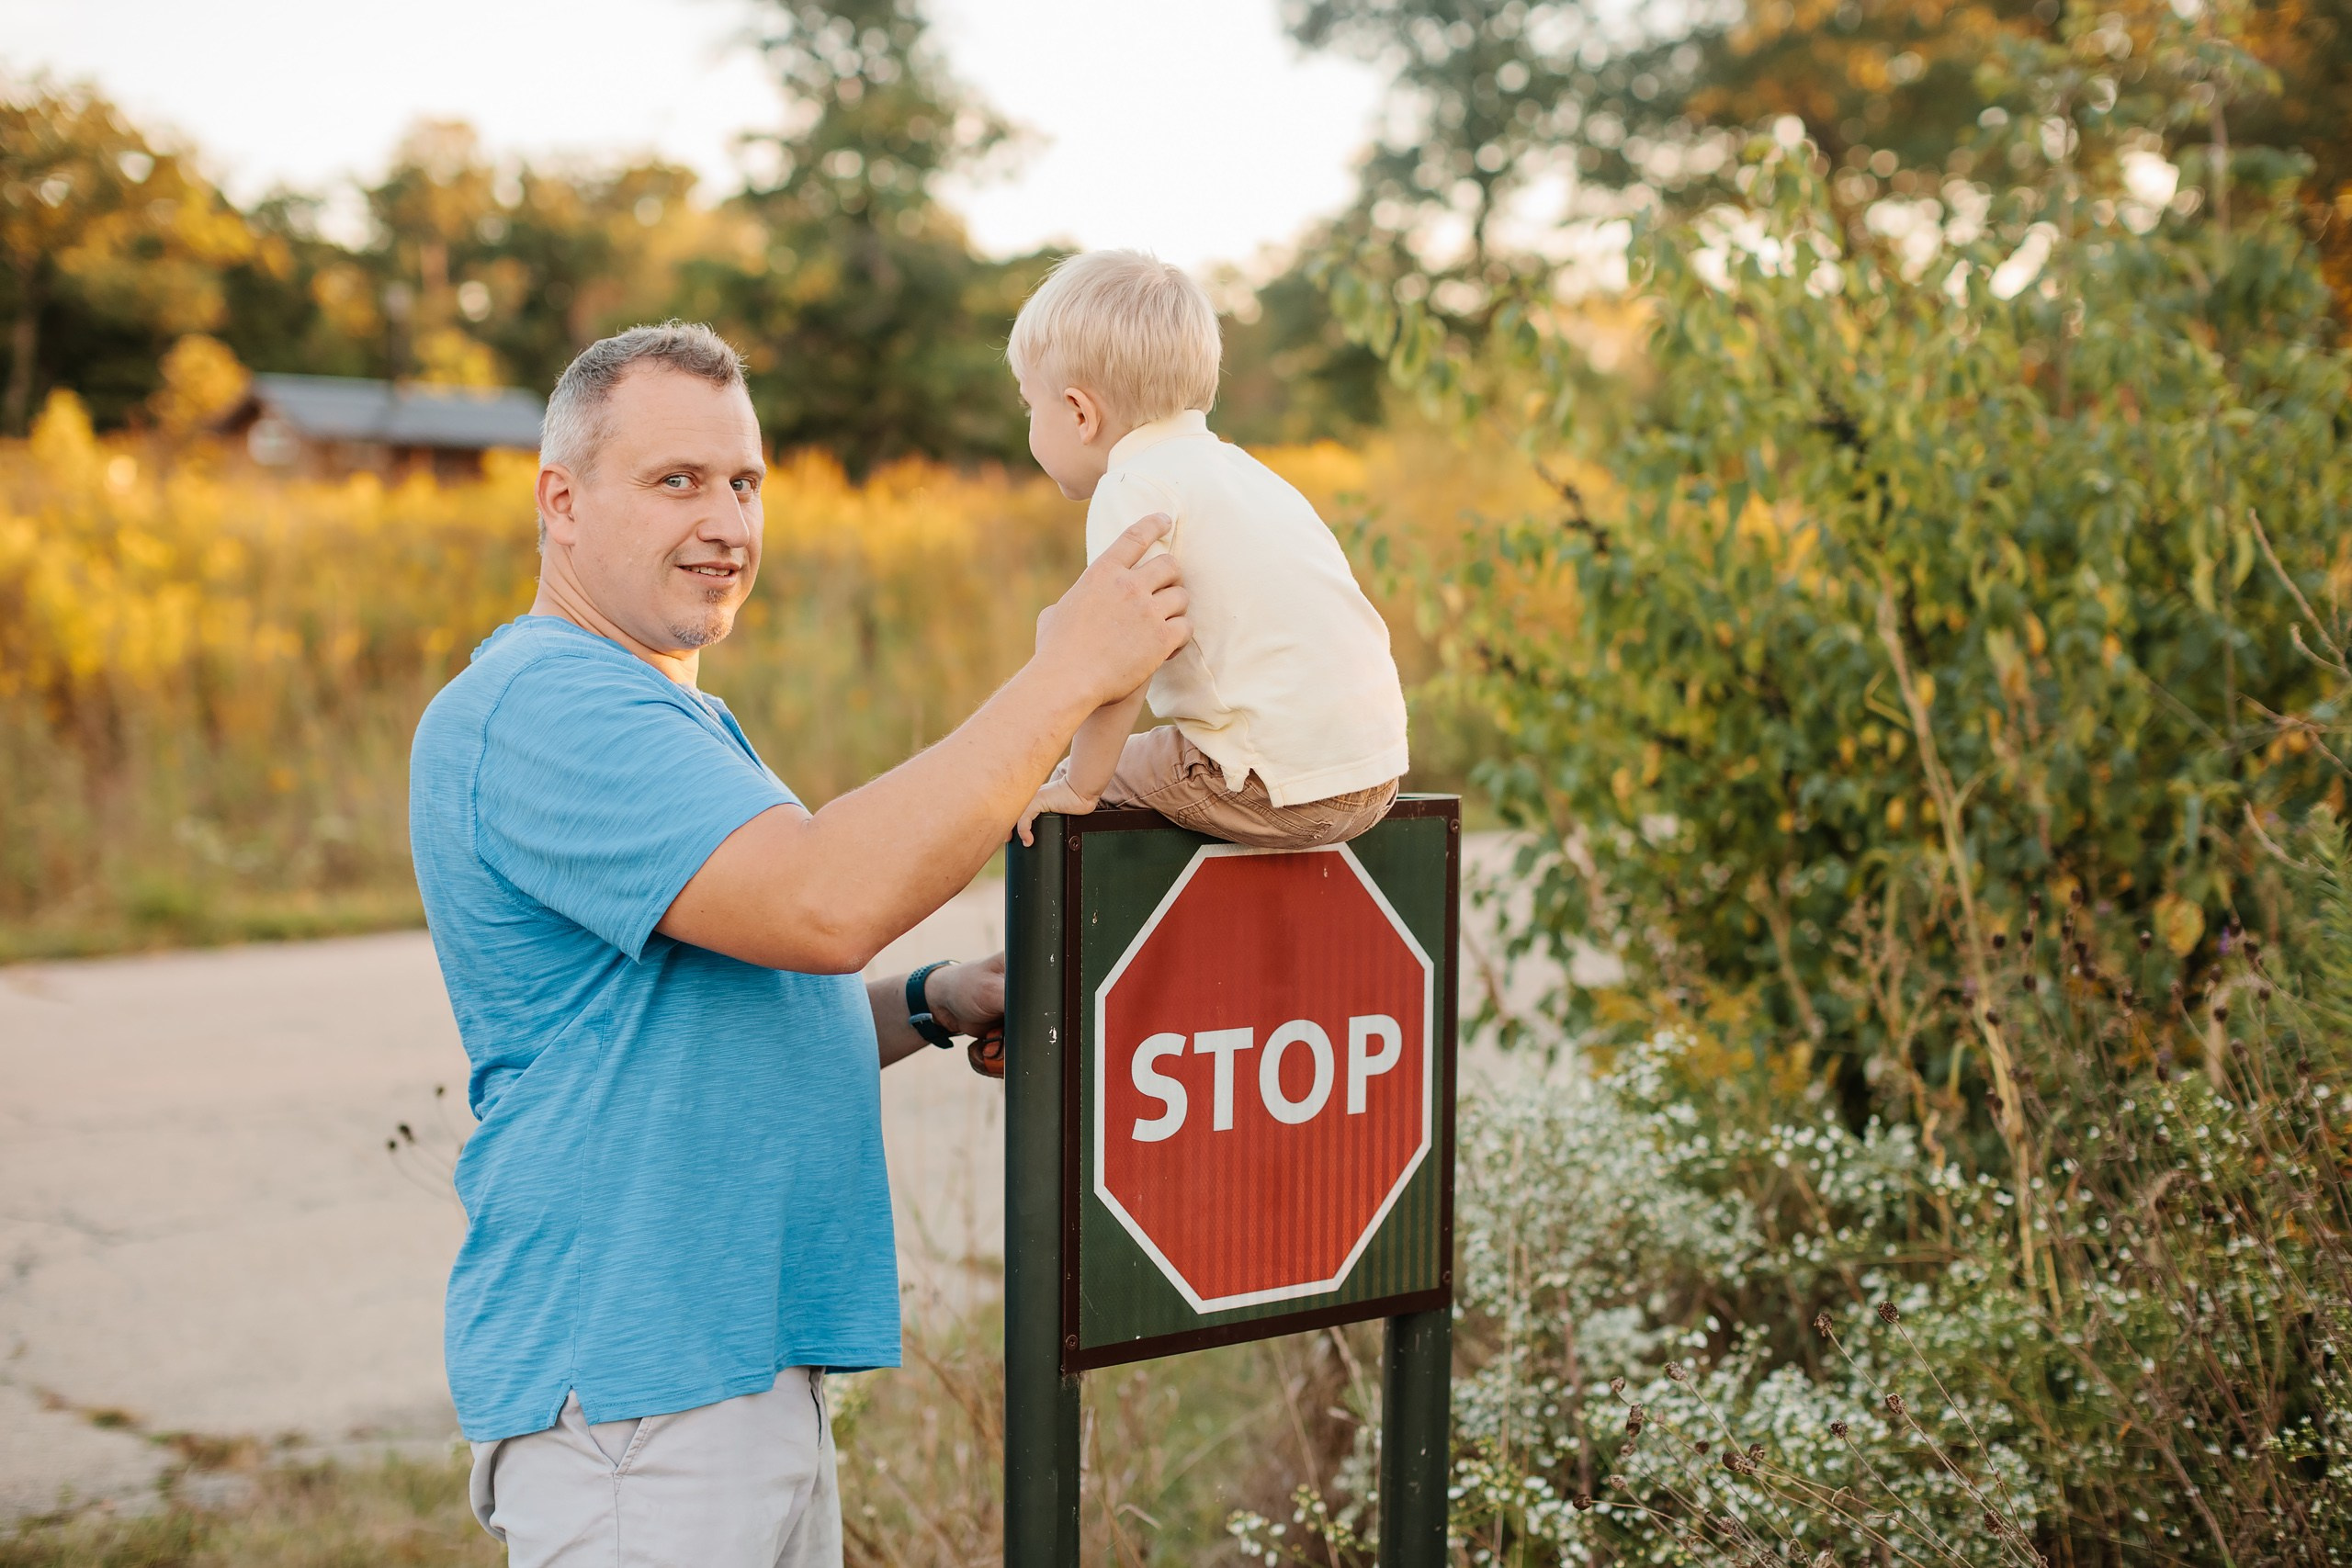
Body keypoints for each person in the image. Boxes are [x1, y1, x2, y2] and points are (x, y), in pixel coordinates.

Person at [407, 321, 1189, 1568]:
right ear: (561, 501)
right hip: (640, 1401)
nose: (725, 521)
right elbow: (822, 900)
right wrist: (1066, 676)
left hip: (729, 1375)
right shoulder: (547, 702)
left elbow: (713, 1011)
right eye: (677, 480)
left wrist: (933, 999)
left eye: (744, 482)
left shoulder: (668, 710)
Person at [1009, 250, 1409, 852]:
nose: (1028, 424)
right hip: (1375, 776)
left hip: (1270, 786)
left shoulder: (1131, 486)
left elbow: (1120, 664)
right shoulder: (1244, 471)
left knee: (1064, 781)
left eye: (1028, 405)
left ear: (1079, 413)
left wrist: (1081, 786)